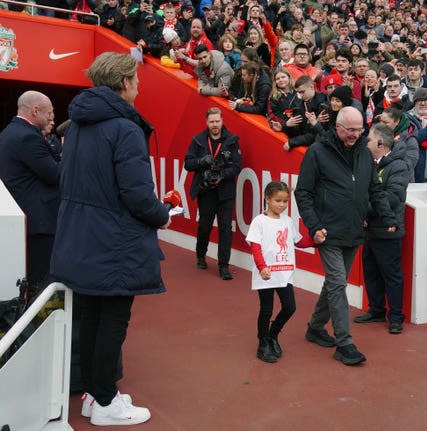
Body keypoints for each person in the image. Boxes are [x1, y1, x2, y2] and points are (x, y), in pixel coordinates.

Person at [50, 52, 170, 426]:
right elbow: (136, 195)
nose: (139, 85)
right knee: (112, 322)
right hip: (113, 242)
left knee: (90, 319)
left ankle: (95, 394)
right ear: (123, 84)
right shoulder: (124, 128)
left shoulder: (77, 125)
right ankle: (104, 401)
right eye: (136, 79)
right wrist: (162, 213)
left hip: (82, 237)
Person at [295, 107, 396, 366]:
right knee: (338, 282)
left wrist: (387, 217)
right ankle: (344, 343)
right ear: (338, 127)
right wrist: (314, 224)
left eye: (359, 130)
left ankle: (316, 327)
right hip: (326, 230)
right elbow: (303, 193)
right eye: (349, 130)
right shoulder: (317, 152)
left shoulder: (364, 153)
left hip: (353, 230)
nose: (354, 134)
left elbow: (374, 189)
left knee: (333, 283)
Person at [245, 181, 316, 363]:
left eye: (285, 201)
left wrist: (315, 239)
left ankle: (272, 335)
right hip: (267, 274)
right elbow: (255, 247)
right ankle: (262, 345)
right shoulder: (259, 221)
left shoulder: (287, 221)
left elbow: (298, 241)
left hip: (284, 273)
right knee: (266, 309)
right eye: (278, 200)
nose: (282, 205)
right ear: (267, 199)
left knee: (290, 307)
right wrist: (262, 267)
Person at [354, 123, 409, 334]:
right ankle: (376, 310)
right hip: (370, 231)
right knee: (371, 272)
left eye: (368, 139)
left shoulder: (398, 166)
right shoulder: (367, 164)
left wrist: (365, 212)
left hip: (388, 231)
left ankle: (395, 317)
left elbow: (392, 197)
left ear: (380, 142)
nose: (365, 142)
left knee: (391, 275)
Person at [0, 90, 59, 286]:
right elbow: (55, 175)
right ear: (35, 110)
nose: (52, 117)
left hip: (25, 220)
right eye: (50, 112)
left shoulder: (9, 132)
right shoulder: (27, 137)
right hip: (39, 222)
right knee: (41, 283)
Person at [184, 108, 242, 280]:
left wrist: (222, 176)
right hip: (206, 190)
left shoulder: (232, 140)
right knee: (205, 226)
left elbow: (237, 166)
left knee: (225, 229)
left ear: (222, 120)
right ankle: (200, 255)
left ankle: (224, 266)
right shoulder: (198, 140)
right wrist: (202, 161)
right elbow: (188, 163)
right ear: (206, 122)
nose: (215, 125)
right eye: (212, 122)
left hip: (225, 191)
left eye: (217, 121)